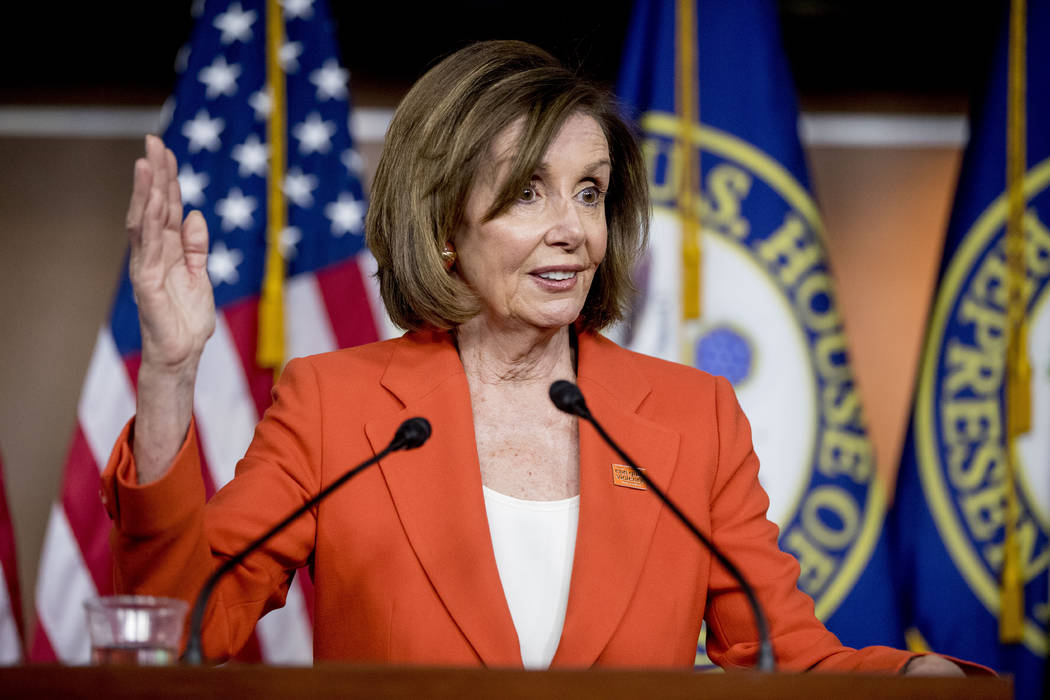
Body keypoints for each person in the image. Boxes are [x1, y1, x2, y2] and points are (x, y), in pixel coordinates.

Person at [102, 40, 971, 675]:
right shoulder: (339, 404)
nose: (573, 228)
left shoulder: (690, 417)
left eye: (588, 192)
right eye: (528, 192)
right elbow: (182, 625)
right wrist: (171, 374)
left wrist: (914, 678)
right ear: (443, 224)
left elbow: (786, 657)